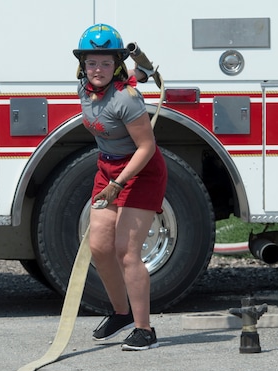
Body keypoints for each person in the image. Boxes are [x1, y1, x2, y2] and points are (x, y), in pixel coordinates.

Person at [73, 24, 167, 351]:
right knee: (100, 247)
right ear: (82, 66)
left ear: (115, 64)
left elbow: (146, 147)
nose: (97, 70)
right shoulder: (85, 89)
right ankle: (120, 312)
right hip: (108, 167)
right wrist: (141, 73)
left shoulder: (127, 100)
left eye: (104, 63)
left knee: (127, 252)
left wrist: (117, 183)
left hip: (140, 172)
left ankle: (145, 329)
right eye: (91, 63)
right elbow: (129, 78)